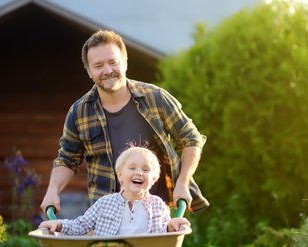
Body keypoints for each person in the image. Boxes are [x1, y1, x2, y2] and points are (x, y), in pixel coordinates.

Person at [40, 30, 209, 215]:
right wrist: (52, 191)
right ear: (89, 71)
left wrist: (182, 184)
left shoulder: (155, 99)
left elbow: (191, 139)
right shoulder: (80, 111)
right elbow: (67, 159)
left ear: (125, 62)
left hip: (156, 214)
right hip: (105, 216)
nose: (107, 71)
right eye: (98, 65)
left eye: (113, 62)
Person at [38, 146, 190, 235]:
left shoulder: (158, 205)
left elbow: (164, 231)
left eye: (146, 170)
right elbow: (81, 225)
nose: (139, 173)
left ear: (154, 179)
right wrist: (59, 225)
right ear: (120, 175)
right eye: (132, 168)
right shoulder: (105, 203)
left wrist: (172, 226)